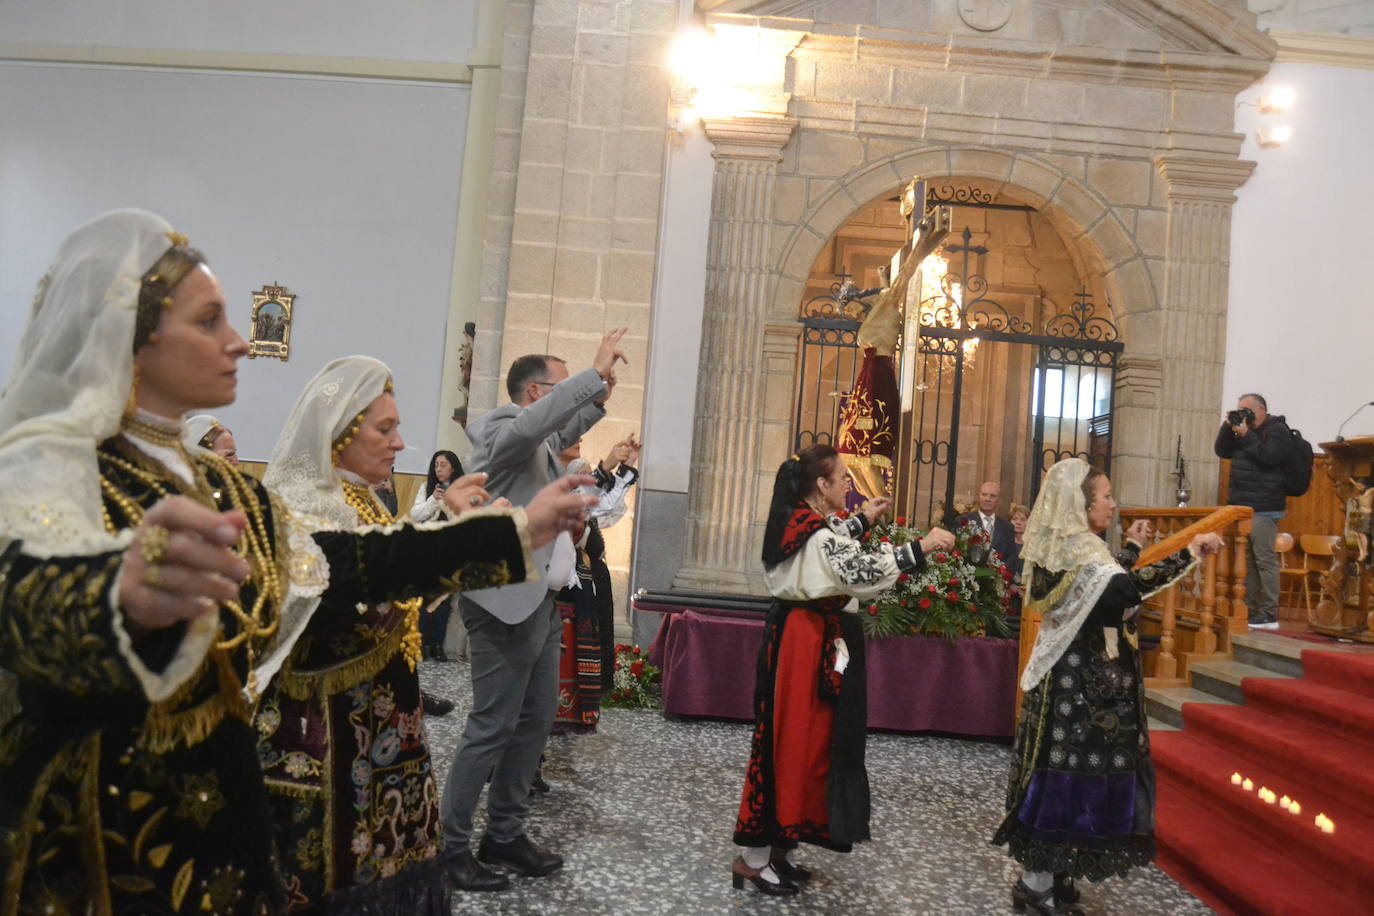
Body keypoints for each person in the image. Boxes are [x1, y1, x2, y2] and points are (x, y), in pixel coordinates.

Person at [0, 210, 587, 914]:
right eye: (210, 321)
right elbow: (24, 592)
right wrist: (115, 595)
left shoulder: (225, 485)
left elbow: (343, 563)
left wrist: (515, 531)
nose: (240, 342)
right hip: (98, 834)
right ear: (132, 333)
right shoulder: (45, 467)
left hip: (219, 823)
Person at [255, 355, 596, 913]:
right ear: (337, 433)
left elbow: (394, 566)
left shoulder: (362, 497)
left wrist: (445, 520)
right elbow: (360, 568)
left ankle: (489, 838)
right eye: (384, 429)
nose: (400, 443)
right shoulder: (298, 505)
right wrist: (505, 532)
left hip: (383, 725)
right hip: (323, 737)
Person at [992, 458, 1224, 915]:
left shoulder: (1073, 549)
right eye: (1105, 497)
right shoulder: (1082, 550)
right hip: (1078, 690)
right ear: (1081, 505)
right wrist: (1190, 551)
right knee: (1065, 780)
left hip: (1080, 685)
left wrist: (1133, 549)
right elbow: (1121, 594)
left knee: (1076, 778)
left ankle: (1056, 876)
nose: (1114, 503)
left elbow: (1105, 582)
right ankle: (1036, 884)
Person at [440, 329, 627, 893]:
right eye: (560, 383)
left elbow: (562, 426)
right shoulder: (499, 427)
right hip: (502, 602)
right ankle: (450, 849)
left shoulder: (540, 444)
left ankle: (504, 834)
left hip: (544, 603)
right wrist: (589, 378)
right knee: (491, 726)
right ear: (533, 391)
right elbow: (535, 426)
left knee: (535, 721)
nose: (564, 394)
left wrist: (598, 396)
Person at [732, 444, 955, 896]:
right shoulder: (816, 534)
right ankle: (754, 860)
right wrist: (922, 547)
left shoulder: (801, 520)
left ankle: (780, 850)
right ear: (822, 486)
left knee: (809, 744)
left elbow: (828, 541)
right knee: (790, 744)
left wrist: (864, 520)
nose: (847, 486)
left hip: (802, 636)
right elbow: (858, 571)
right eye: (842, 479)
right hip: (804, 643)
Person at [550, 434, 641, 733]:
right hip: (555, 589)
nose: (589, 478)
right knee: (559, 651)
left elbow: (603, 502)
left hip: (580, 587)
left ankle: (574, 711)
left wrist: (625, 468)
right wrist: (611, 464)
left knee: (580, 647)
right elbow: (587, 495)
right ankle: (551, 714)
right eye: (584, 472)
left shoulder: (581, 503)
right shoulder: (556, 492)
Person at [1214, 393, 1291, 629]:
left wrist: (1246, 434)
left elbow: (1269, 457)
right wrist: (1229, 427)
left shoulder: (1277, 430)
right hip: (1242, 506)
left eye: (1246, 409)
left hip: (1265, 507)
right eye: (1239, 409)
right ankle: (1248, 608)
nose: (1243, 413)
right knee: (1247, 559)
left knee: (1264, 559)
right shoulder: (1242, 432)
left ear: (1261, 410)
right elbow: (1222, 451)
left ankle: (1268, 613)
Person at [412, 449, 466, 660]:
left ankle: (437, 645)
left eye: (443, 464)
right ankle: (423, 644)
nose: (439, 468)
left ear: (453, 467)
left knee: (444, 601)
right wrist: (433, 500)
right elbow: (416, 515)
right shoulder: (426, 488)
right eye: (436, 465)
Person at [957, 480, 1017, 560]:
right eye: (984, 495)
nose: (987, 499)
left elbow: (1011, 556)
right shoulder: (964, 521)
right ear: (978, 496)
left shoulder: (1007, 528)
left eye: (992, 496)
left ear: (999, 500)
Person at [1005, 502, 1030, 615]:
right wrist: (1010, 586)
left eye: (1022, 519)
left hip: (1025, 599)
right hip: (1006, 597)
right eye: (1015, 519)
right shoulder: (1003, 544)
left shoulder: (1032, 548)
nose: (1018, 522)